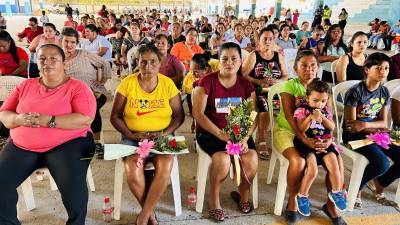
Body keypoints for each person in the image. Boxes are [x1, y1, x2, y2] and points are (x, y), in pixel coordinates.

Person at [0, 44, 96, 225]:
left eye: (54, 58)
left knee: (72, 189)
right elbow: (4, 113)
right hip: (22, 145)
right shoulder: (25, 85)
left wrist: (48, 120)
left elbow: (84, 119)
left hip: (68, 143)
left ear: (64, 63)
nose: (47, 62)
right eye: (42, 58)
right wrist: (19, 119)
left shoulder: (78, 87)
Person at [110, 44, 184, 225]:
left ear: (160, 64)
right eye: (143, 62)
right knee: (132, 166)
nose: (148, 67)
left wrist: (164, 134)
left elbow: (179, 116)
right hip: (133, 137)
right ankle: (150, 215)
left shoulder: (167, 84)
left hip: (163, 136)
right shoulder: (128, 83)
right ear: (137, 63)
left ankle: (143, 216)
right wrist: (131, 134)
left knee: (166, 163)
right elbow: (115, 116)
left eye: (153, 62)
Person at [273, 49, 347, 225]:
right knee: (299, 162)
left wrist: (329, 139)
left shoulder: (322, 89)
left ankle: (331, 206)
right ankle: (292, 202)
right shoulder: (290, 86)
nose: (309, 69)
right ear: (295, 67)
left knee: (338, 162)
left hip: (317, 133)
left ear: (318, 67)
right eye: (304, 65)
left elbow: (328, 117)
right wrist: (304, 139)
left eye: (313, 65)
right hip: (288, 130)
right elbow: (291, 117)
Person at [193, 42, 258, 222]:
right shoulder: (207, 81)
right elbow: (198, 113)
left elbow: (253, 114)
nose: (229, 62)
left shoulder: (246, 84)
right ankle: (214, 199)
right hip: (211, 133)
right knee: (222, 159)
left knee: (251, 158)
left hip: (239, 133)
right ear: (218, 61)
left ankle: (243, 195)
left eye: (234, 59)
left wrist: (245, 137)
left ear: (240, 61)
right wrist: (220, 134)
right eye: (225, 59)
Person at [343, 52, 400, 209]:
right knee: (381, 162)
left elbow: (383, 122)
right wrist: (367, 127)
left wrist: (366, 125)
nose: (383, 72)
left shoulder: (384, 92)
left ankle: (380, 183)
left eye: (386, 68)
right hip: (353, 136)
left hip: (374, 133)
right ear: (367, 69)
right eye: (379, 68)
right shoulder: (355, 92)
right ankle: (356, 189)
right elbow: (351, 125)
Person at [293, 79, 346, 216]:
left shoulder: (325, 112)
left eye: (323, 101)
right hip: (307, 143)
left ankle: (336, 192)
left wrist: (322, 118)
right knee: (313, 170)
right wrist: (310, 117)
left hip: (323, 142)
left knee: (334, 164)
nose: (319, 104)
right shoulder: (302, 110)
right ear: (307, 98)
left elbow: (332, 127)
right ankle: (302, 195)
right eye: (315, 100)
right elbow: (300, 128)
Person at [242, 27, 288, 160]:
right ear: (259, 41)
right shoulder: (253, 55)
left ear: (274, 41)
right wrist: (259, 81)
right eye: (265, 39)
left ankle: (286, 138)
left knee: (291, 102)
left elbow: (285, 75)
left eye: (270, 39)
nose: (268, 41)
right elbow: (243, 75)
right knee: (264, 103)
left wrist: (277, 80)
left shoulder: (278, 56)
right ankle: (261, 140)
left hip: (275, 89)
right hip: (257, 90)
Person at [62, 27, 111, 143]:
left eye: (72, 42)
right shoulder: (58, 58)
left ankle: (97, 142)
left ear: (77, 43)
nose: (69, 45)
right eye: (66, 41)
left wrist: (102, 81)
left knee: (92, 108)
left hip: (94, 91)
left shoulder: (84, 54)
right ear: (61, 41)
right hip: (69, 95)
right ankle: (73, 139)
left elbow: (105, 63)